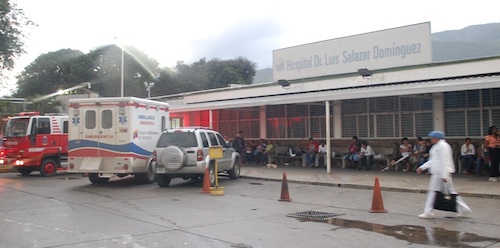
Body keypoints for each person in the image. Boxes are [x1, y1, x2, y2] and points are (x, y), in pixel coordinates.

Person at [416, 131, 471, 219]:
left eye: (432, 138)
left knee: (433, 192)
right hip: (438, 173)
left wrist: (444, 175)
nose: (431, 140)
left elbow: (445, 161)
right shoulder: (436, 146)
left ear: (437, 138)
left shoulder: (443, 146)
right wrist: (422, 167)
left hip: (441, 173)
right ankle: (463, 209)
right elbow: (433, 160)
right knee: (449, 192)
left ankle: (428, 212)